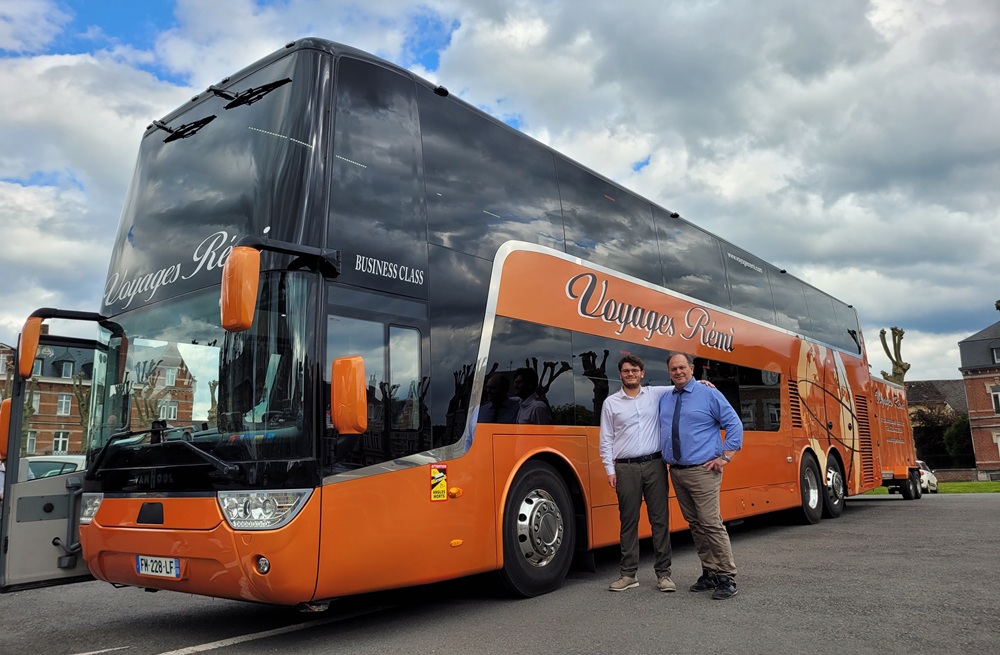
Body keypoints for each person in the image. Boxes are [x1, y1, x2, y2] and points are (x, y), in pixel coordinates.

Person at [659, 352, 744, 600]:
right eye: (673, 369)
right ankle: (709, 572)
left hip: (703, 471)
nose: (678, 372)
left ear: (692, 368)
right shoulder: (665, 397)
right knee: (695, 525)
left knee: (710, 522)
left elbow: (734, 424)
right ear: (669, 372)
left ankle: (727, 576)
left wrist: (725, 457)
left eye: (682, 367)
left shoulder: (709, 394)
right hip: (677, 472)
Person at [599, 354, 675, 592]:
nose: (630, 374)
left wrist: (703, 383)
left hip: (655, 464)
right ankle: (628, 574)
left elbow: (682, 384)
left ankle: (664, 575)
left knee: (660, 521)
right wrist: (609, 469)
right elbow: (606, 438)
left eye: (634, 370)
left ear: (642, 373)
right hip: (626, 467)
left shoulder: (655, 394)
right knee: (628, 521)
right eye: (626, 371)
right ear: (620, 375)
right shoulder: (611, 403)